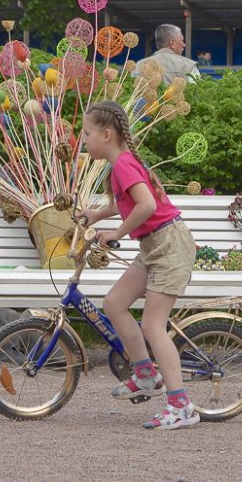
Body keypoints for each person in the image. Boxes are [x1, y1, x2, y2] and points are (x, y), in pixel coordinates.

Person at [77, 101, 199, 430]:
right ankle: (146, 374)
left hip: (169, 246)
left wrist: (117, 232)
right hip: (153, 245)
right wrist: (97, 215)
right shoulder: (120, 165)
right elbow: (125, 202)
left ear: (106, 134)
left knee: (153, 327)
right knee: (114, 303)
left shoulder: (123, 165)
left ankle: (181, 406)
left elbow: (145, 204)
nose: (83, 140)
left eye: (87, 134)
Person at [132, 24, 201, 85]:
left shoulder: (139, 65)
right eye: (182, 40)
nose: (184, 45)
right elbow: (199, 94)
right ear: (172, 43)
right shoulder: (188, 65)